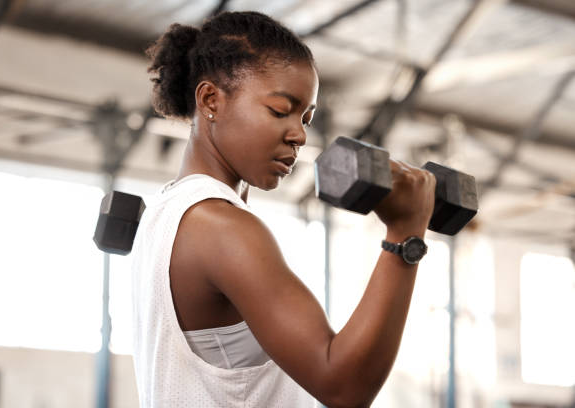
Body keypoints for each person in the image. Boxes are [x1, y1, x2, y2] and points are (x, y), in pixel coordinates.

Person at [130, 10, 436, 408]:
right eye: (279, 110)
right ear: (210, 100)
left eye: (305, 117)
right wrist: (405, 236)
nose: (299, 135)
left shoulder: (165, 212)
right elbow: (343, 385)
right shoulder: (219, 225)